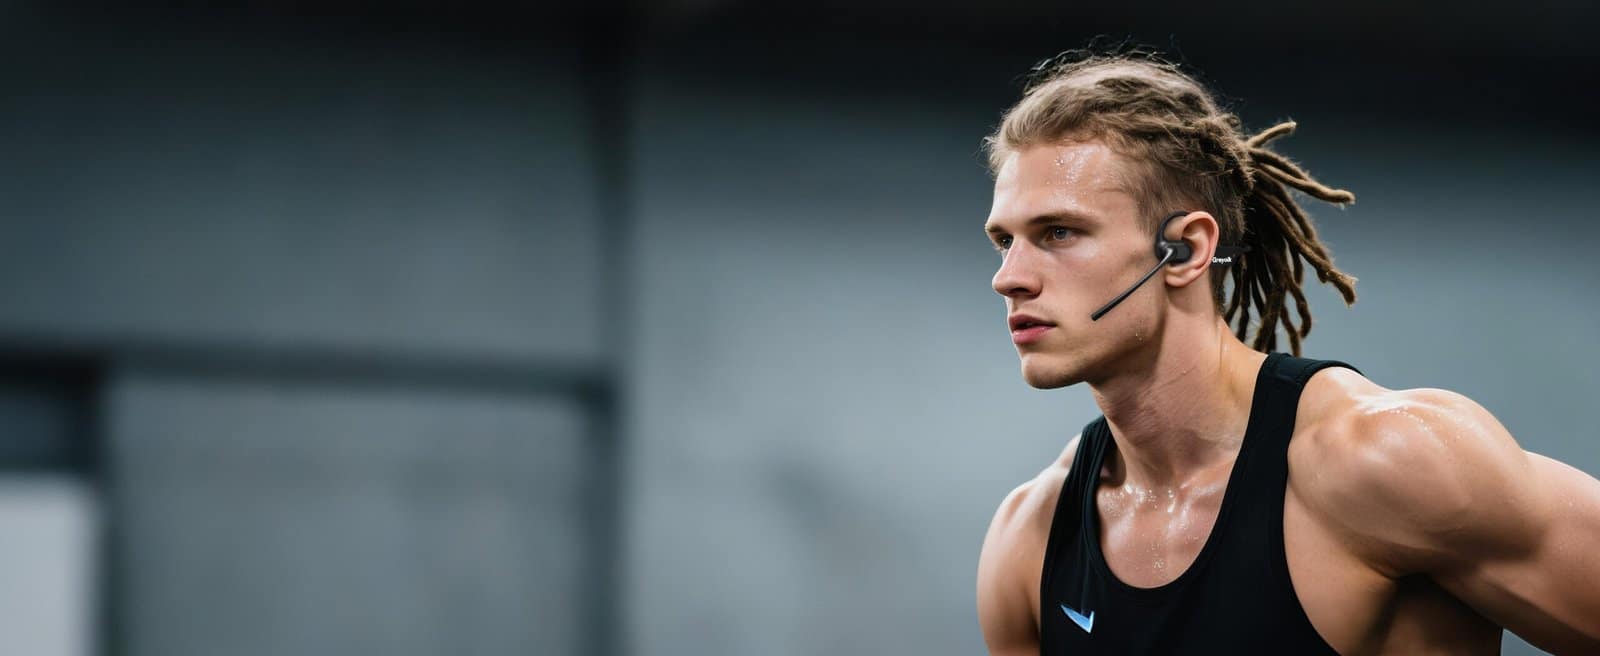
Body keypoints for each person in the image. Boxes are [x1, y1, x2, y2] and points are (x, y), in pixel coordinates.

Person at [973, 49, 1600, 655]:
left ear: (1185, 250)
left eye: (1059, 232)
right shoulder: (1030, 539)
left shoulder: (1389, 462)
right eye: (1005, 241)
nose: (1009, 277)